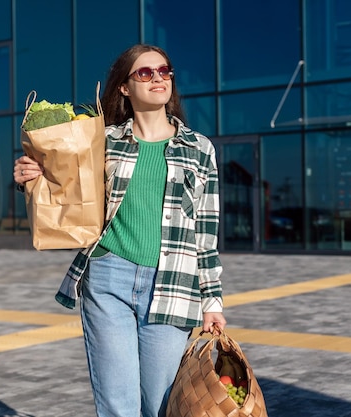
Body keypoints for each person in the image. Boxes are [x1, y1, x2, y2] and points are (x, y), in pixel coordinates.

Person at [13, 44, 226, 417]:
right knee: (117, 403)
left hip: (173, 284)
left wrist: (213, 301)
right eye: (145, 73)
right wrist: (30, 177)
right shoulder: (103, 140)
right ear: (125, 87)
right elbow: (65, 187)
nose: (158, 78)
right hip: (108, 276)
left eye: (164, 70)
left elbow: (205, 235)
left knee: (161, 404)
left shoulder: (199, 149)